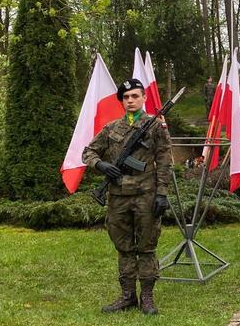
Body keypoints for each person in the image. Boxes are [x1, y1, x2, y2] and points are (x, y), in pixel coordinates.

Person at [82, 78, 172, 315]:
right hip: (118, 196)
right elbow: (88, 152)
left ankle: (148, 298)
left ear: (144, 98)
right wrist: (101, 165)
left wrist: (162, 193)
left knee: (147, 247)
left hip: (146, 195)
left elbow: (164, 161)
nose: (130, 100)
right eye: (126, 97)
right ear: (121, 101)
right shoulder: (111, 128)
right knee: (124, 247)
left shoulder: (155, 126)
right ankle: (127, 296)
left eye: (135, 96)